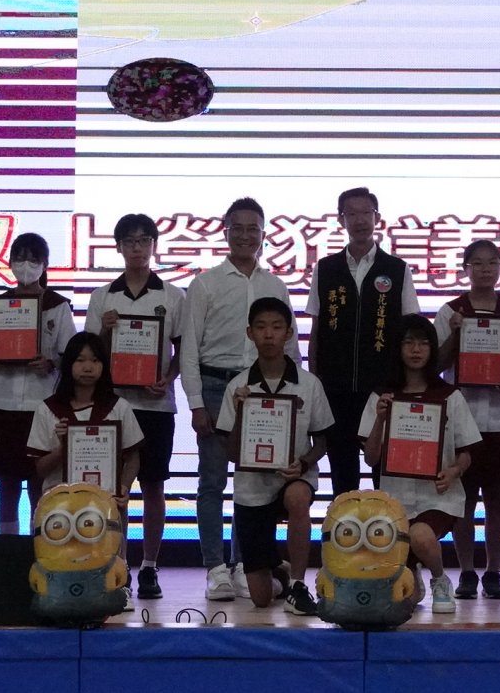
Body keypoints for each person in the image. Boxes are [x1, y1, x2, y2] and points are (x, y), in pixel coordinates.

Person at [177, 197, 300, 601]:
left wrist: (295, 392)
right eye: (238, 228)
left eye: (253, 229)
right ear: (225, 231)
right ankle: (215, 568)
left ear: (264, 235)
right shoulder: (205, 283)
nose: (246, 235)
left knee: (254, 486)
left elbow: (290, 345)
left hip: (265, 393)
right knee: (212, 482)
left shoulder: (274, 285)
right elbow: (189, 350)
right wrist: (196, 403)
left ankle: (246, 565)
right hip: (216, 389)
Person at [84, 213, 187, 599]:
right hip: (114, 407)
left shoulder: (173, 295)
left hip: (157, 406)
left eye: (144, 240)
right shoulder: (102, 296)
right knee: (116, 489)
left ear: (154, 245)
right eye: (129, 241)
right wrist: (105, 330)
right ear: (118, 247)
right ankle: (118, 564)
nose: (137, 248)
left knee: (154, 486)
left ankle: (149, 566)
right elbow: (88, 356)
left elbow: (183, 350)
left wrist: (168, 378)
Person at [217, 296, 332, 615]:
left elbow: (322, 441)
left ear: (289, 333)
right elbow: (231, 453)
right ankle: (279, 570)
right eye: (261, 327)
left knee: (298, 497)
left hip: (294, 477)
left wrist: (304, 464)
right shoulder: (238, 386)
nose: (269, 334)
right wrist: (241, 413)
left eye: (277, 327)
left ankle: (298, 585)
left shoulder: (309, 384)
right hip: (251, 489)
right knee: (261, 599)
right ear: (249, 333)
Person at [360, 315, 480, 613]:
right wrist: (380, 419)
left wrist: (453, 472)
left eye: (424, 343)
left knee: (421, 535)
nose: (416, 350)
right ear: (398, 348)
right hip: (396, 499)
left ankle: (440, 579)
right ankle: (412, 571)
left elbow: (466, 452)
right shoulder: (382, 396)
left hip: (438, 497)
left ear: (432, 349)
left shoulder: (450, 396)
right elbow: (371, 458)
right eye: (409, 343)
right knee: (404, 599)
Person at [437, 239, 500, 600]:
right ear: (466, 268)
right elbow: (436, 363)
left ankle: (493, 571)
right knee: (462, 499)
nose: (484, 270)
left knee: (497, 498)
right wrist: (456, 332)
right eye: (476, 263)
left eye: (491, 263)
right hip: (461, 417)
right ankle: (465, 571)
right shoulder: (451, 311)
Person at [310, 187, 422, 498]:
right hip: (336, 389)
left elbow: (411, 327)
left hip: (382, 390)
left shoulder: (397, 269)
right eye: (352, 214)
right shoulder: (326, 268)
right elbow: (317, 329)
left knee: (384, 472)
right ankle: (343, 527)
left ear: (377, 218)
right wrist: (316, 382)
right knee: (342, 472)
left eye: (365, 213)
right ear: (341, 220)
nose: (359, 220)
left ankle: (386, 528)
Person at [0, 232, 75, 535]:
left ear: (45, 264)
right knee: (7, 483)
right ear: (9, 263)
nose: (26, 265)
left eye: (34, 259)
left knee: (39, 481)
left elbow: (70, 355)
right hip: (2, 402)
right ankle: (8, 547)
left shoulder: (58, 305)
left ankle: (41, 545)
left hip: (41, 404)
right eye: (19, 258)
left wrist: (51, 363)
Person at [28, 333, 144, 495]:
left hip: (106, 500)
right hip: (59, 501)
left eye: (95, 360)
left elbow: (132, 458)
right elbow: (40, 469)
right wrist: (62, 450)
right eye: (80, 360)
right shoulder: (47, 409)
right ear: (68, 364)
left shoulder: (119, 407)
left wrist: (124, 488)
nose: (88, 368)